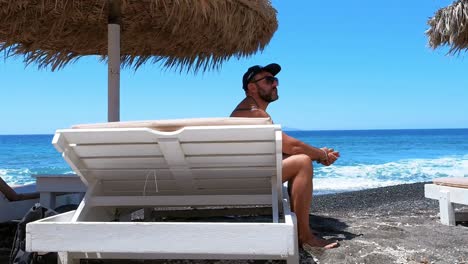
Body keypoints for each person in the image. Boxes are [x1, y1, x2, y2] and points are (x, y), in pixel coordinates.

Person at [231, 63, 340, 249]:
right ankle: (304, 236)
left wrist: (317, 154)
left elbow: (284, 149)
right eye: (269, 80)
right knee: (302, 162)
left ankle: (302, 232)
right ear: (251, 87)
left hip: (242, 178)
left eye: (275, 80)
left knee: (302, 159)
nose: (275, 84)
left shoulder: (248, 111)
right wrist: (321, 155)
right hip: (250, 183)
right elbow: (293, 146)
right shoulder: (253, 113)